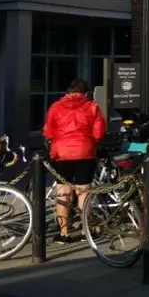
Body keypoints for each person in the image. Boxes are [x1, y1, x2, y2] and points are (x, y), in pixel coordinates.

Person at [43, 79, 105, 244]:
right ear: (85, 93)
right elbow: (99, 133)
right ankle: (86, 230)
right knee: (83, 192)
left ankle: (64, 233)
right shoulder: (92, 107)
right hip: (85, 153)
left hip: (61, 154)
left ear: (68, 92)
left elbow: (48, 132)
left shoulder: (55, 107)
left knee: (63, 191)